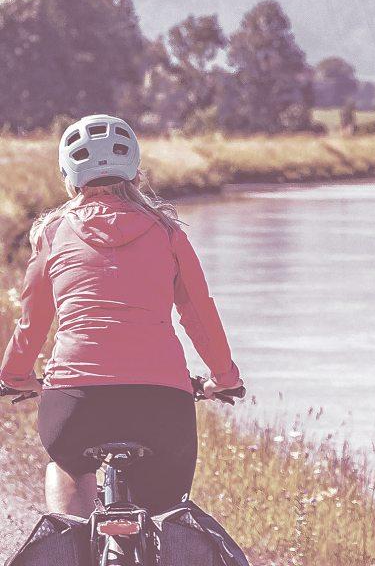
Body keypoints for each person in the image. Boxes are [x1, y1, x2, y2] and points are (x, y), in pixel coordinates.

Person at [0, 114, 244, 518]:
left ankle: (73, 538)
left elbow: (33, 321)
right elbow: (198, 313)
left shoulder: (52, 233)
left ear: (68, 178)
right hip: (161, 402)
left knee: (67, 467)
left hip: (75, 404)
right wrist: (224, 378)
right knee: (164, 514)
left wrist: (14, 376)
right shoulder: (168, 233)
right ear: (135, 173)